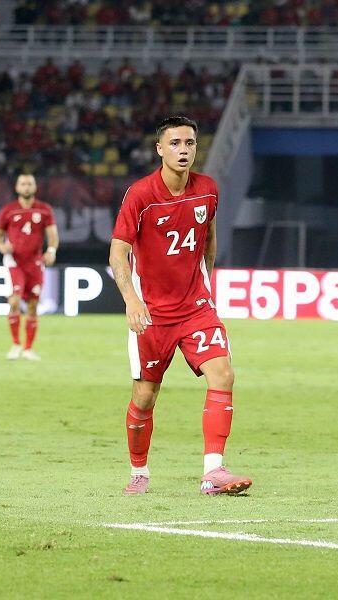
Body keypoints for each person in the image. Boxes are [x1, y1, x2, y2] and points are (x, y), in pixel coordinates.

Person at [109, 115, 252, 497]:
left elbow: (208, 241)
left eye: (189, 143)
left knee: (223, 374)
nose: (183, 150)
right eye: (175, 143)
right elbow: (118, 251)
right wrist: (131, 300)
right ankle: (139, 471)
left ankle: (214, 472)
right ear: (159, 149)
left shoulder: (208, 189)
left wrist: (207, 285)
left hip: (195, 308)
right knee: (145, 395)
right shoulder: (140, 194)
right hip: (152, 314)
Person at [0, 173, 59, 361]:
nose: (26, 187)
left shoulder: (45, 210)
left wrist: (51, 250)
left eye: (29, 183)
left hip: (35, 263)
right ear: (17, 188)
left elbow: (53, 234)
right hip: (15, 261)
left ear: (35, 187)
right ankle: (15, 345)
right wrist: (1, 246)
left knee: (33, 305)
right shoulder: (9, 210)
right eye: (23, 183)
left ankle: (28, 348)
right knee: (14, 300)